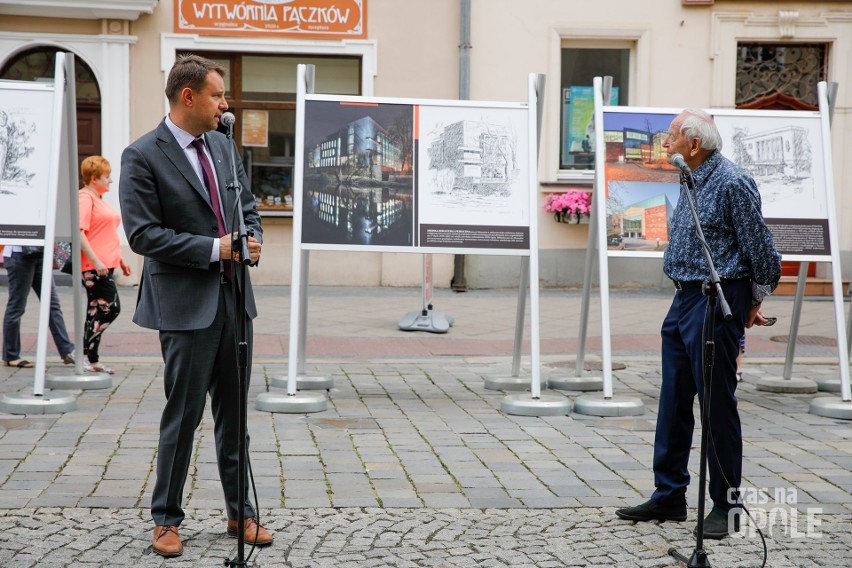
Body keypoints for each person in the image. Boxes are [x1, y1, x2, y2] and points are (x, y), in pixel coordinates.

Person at [119, 54, 269, 558]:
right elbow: (143, 235)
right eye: (218, 95)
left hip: (234, 301)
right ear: (189, 97)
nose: (226, 104)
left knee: (236, 415)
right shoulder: (141, 155)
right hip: (185, 306)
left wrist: (252, 237)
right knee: (182, 416)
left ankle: (239, 512)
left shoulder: (225, 146)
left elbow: (245, 205)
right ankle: (165, 519)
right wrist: (214, 249)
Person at [615, 109, 781, 539]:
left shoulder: (732, 182)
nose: (664, 142)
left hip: (716, 298)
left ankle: (727, 506)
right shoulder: (688, 176)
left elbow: (762, 251)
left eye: (670, 136)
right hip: (683, 299)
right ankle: (669, 495)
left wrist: (752, 299)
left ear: (694, 143)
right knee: (673, 401)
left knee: (716, 404)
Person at [77, 156, 132, 374]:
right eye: (106, 176)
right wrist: (97, 260)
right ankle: (79, 353)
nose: (110, 180)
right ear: (93, 178)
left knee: (95, 311)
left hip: (104, 264)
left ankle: (93, 360)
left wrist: (120, 260)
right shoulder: (85, 198)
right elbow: (80, 233)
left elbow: (104, 235)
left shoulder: (98, 199)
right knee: (111, 308)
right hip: (94, 266)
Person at [3, 245, 75, 368]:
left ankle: (66, 351)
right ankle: (11, 355)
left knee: (52, 305)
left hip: (42, 253)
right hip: (19, 254)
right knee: (17, 306)